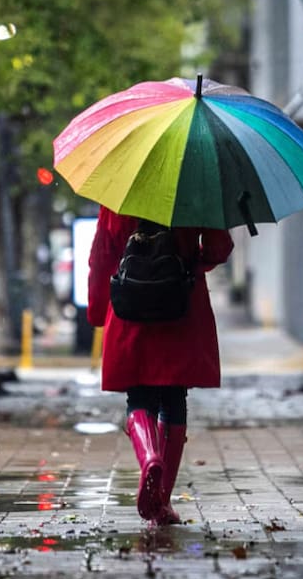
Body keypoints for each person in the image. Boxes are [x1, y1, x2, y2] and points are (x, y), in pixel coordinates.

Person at [87, 206, 234, 525]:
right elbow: (219, 248)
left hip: (130, 305)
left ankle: (149, 458)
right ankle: (162, 501)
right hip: (180, 303)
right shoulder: (194, 192)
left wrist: (97, 308)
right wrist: (193, 260)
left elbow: (102, 254)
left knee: (138, 396)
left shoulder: (118, 196)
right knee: (174, 398)